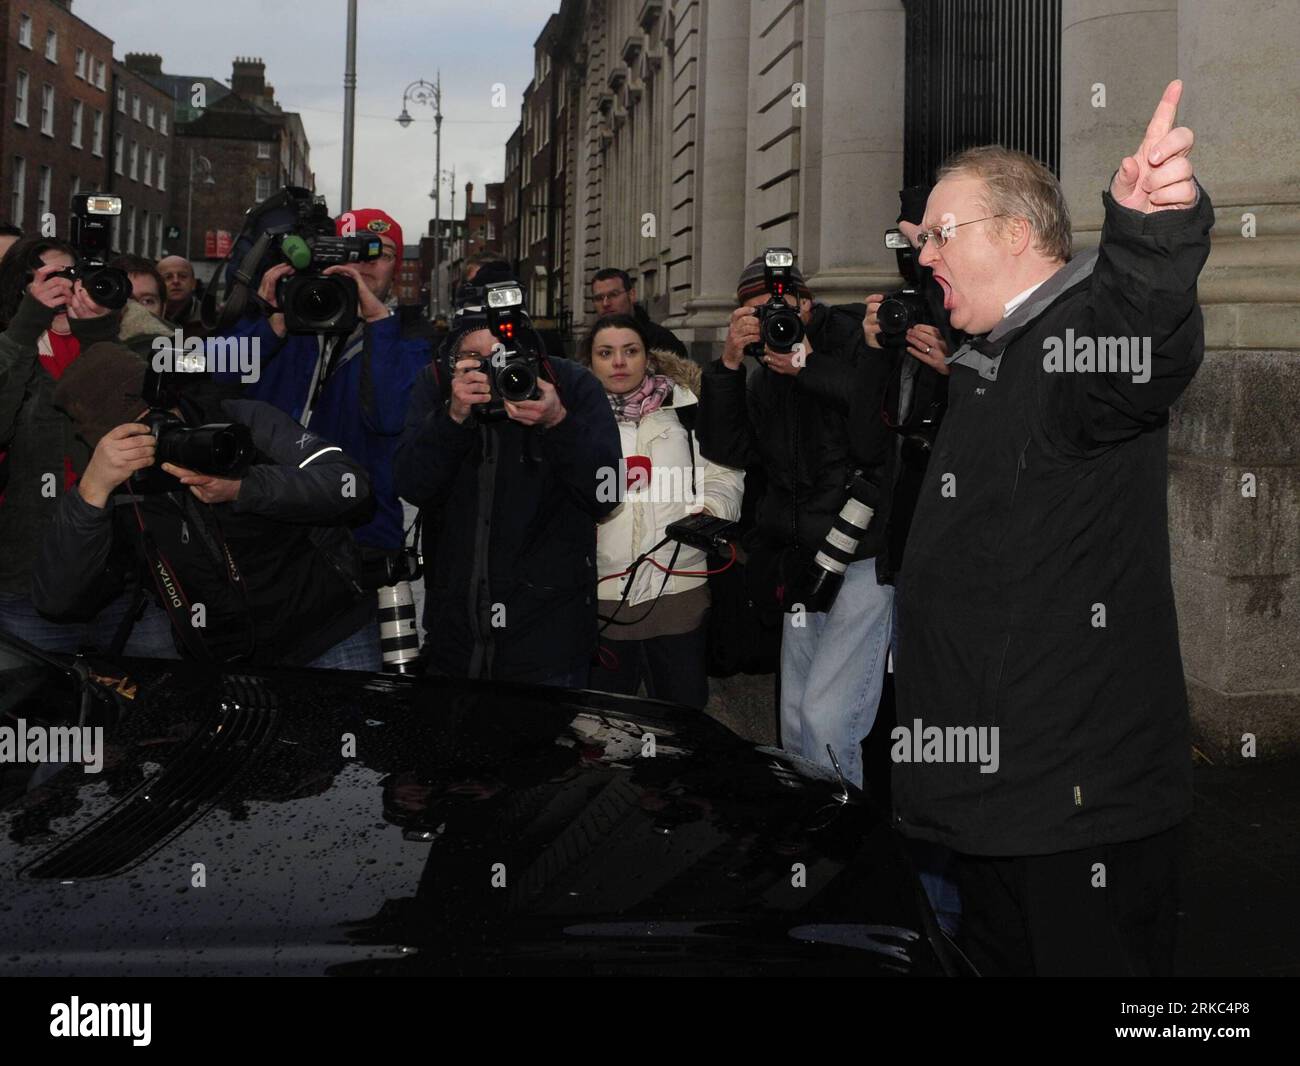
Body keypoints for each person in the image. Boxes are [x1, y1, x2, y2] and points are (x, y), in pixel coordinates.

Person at [893, 81, 1209, 977]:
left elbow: (1141, 350)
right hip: (1000, 807)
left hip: (1077, 818)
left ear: (1018, 234)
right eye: (918, 240)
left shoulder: (1073, 341)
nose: (923, 257)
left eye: (940, 233)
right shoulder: (990, 357)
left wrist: (1149, 236)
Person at [34, 343, 378, 669]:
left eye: (160, 418)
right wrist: (91, 493)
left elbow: (350, 486)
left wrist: (245, 487)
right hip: (223, 660)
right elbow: (57, 600)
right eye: (137, 435)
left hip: (329, 633)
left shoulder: (241, 421)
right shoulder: (113, 486)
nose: (158, 437)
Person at [696, 256, 894, 789]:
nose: (775, 321)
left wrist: (808, 368)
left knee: (830, 720)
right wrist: (730, 365)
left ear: (807, 302)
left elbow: (875, 423)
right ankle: (811, 836)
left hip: (857, 556)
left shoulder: (854, 336)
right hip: (797, 560)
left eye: (783, 308)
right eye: (758, 314)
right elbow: (728, 448)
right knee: (794, 721)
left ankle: (844, 843)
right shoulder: (764, 367)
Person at [216, 209, 431, 636]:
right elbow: (219, 378)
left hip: (359, 542)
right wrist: (273, 319)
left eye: (380, 253)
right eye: (349, 252)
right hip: (267, 535)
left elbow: (389, 418)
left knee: (356, 691)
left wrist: (376, 325)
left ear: (397, 268)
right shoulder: (284, 322)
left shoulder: (410, 340)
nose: (365, 264)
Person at [393, 292, 622, 686]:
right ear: (452, 362)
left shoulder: (570, 384)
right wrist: (452, 419)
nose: (490, 368)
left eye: (501, 354)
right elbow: (413, 485)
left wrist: (558, 421)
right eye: (474, 359)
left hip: (549, 646)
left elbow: (605, 494)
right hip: (455, 641)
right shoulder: (435, 388)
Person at [0, 236, 172, 656]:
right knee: (31, 712)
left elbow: (151, 420)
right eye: (46, 279)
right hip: (27, 584)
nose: (62, 290)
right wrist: (25, 327)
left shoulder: (127, 342)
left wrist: (97, 331)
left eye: (71, 277)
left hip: (125, 582)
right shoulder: (12, 347)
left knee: (155, 708)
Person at [579, 313, 744, 708]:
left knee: (682, 719)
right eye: (606, 353)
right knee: (605, 729)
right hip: (602, 597)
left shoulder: (689, 409)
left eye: (630, 351)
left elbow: (724, 473)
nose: (619, 362)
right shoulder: (572, 420)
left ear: (647, 357)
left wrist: (709, 510)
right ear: (590, 362)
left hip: (679, 593)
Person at [591, 268, 689, 360]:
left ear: (632, 295)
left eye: (613, 295)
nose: (605, 303)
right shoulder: (590, 343)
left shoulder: (662, 342)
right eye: (599, 298)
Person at [157, 255, 202, 328]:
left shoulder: (211, 317)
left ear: (194, 283)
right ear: (156, 284)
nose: (176, 281)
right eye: (168, 277)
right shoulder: (148, 317)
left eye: (183, 276)